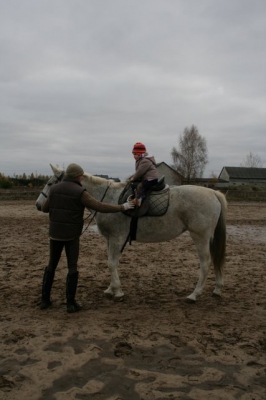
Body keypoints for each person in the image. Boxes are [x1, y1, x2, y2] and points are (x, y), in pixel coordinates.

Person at [40, 163, 134, 313]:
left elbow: (45, 208)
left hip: (55, 234)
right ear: (78, 176)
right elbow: (100, 206)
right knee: (72, 268)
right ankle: (70, 304)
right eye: (81, 175)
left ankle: (45, 300)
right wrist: (122, 207)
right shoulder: (80, 191)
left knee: (51, 265)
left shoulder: (55, 189)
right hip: (71, 236)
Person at [130, 142, 158, 206]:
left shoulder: (145, 161)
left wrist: (133, 178)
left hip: (151, 179)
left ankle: (139, 199)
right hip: (148, 178)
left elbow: (140, 171)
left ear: (140, 154)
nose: (134, 156)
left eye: (135, 154)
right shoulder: (141, 160)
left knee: (141, 186)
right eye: (133, 154)